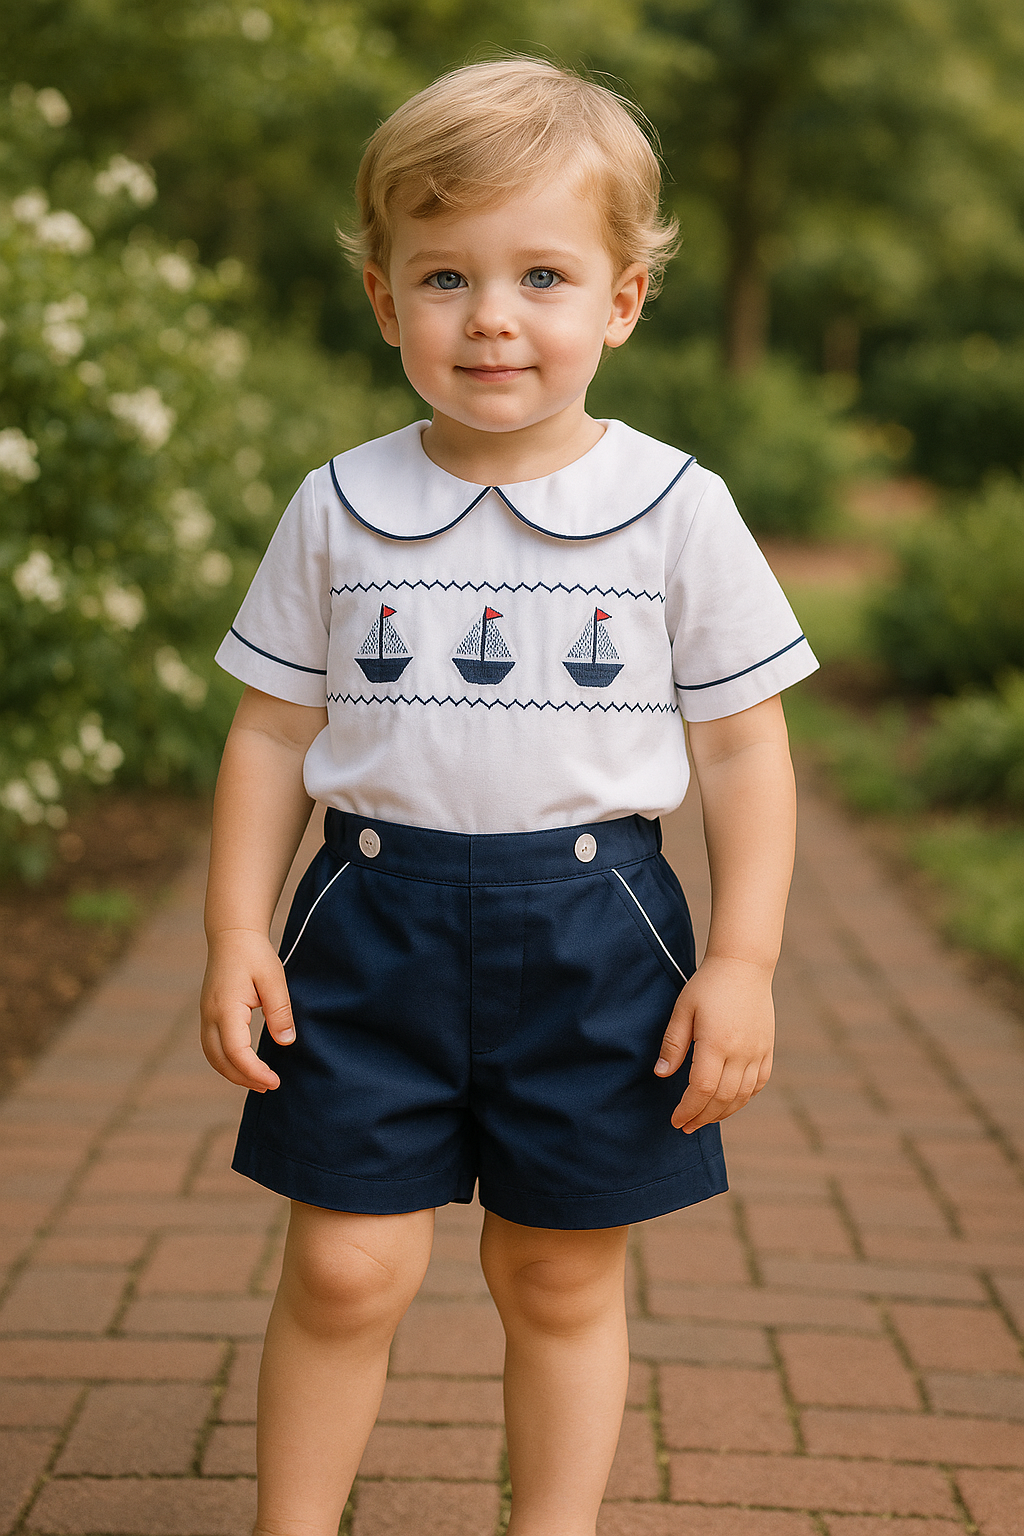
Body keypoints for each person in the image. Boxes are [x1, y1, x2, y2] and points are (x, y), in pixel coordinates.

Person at [200, 57, 817, 1536]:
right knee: (346, 1266)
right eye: (444, 276)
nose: (491, 315)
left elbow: (746, 751)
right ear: (383, 298)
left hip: (598, 936)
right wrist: (234, 932)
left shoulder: (676, 511)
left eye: (542, 275)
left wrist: (743, 963)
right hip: (369, 927)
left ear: (622, 301)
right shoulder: (340, 504)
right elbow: (270, 735)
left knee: (555, 1271)